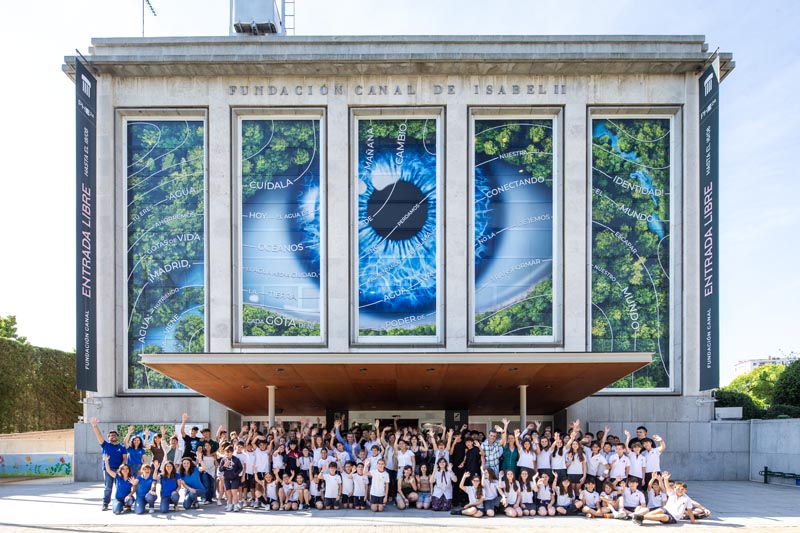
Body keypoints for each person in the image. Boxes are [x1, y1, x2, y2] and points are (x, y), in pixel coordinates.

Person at [91, 417, 127, 511]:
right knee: (108, 487)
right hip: (108, 470)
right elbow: (98, 435)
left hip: (119, 470)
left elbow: (125, 458)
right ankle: (105, 503)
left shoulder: (122, 447)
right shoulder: (105, 445)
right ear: (108, 437)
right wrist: (95, 426)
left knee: (120, 486)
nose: (113, 436)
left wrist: (121, 467)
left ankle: (122, 502)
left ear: (117, 437)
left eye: (114, 435)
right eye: (111, 435)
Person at [218, 444, 244, 512]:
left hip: (235, 478)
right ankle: (230, 504)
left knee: (234, 491)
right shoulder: (223, 460)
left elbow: (240, 468)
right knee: (228, 492)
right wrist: (224, 466)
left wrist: (236, 474)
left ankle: (236, 505)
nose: (227, 454)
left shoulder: (236, 459)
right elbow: (220, 469)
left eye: (229, 452)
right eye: (226, 452)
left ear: (232, 452)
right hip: (226, 477)